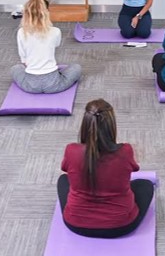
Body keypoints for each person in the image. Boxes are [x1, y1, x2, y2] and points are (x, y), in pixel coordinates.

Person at [58, 99, 154, 238]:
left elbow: (65, 168)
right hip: (120, 226)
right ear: (111, 126)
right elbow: (134, 168)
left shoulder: (71, 150)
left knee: (63, 180)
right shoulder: (126, 150)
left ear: (85, 124)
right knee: (145, 185)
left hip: (76, 224)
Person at [11, 0, 81, 94]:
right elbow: (56, 44)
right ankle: (57, 72)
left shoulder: (22, 32)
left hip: (31, 86)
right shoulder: (55, 31)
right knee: (76, 67)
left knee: (15, 68)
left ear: (26, 13)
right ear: (46, 12)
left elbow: (23, 59)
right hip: (53, 84)